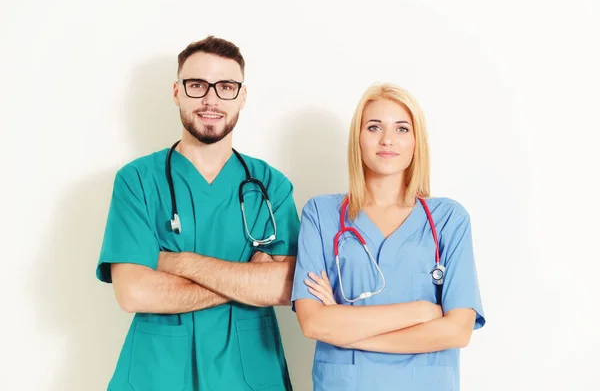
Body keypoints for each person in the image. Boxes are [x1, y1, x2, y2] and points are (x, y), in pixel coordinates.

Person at [96, 36, 299, 391]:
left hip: (248, 373)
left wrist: (175, 263)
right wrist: (247, 280)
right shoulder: (138, 181)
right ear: (177, 92)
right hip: (158, 373)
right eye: (197, 86)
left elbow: (284, 285)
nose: (211, 99)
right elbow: (133, 294)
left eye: (225, 87)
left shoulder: (270, 184)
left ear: (243, 96)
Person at [291, 83, 486, 390]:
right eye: (373, 127)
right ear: (358, 138)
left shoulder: (448, 219)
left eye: (402, 129)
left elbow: (457, 331)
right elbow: (314, 322)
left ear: (416, 141)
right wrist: (421, 312)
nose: (387, 140)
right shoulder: (321, 214)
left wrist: (345, 327)